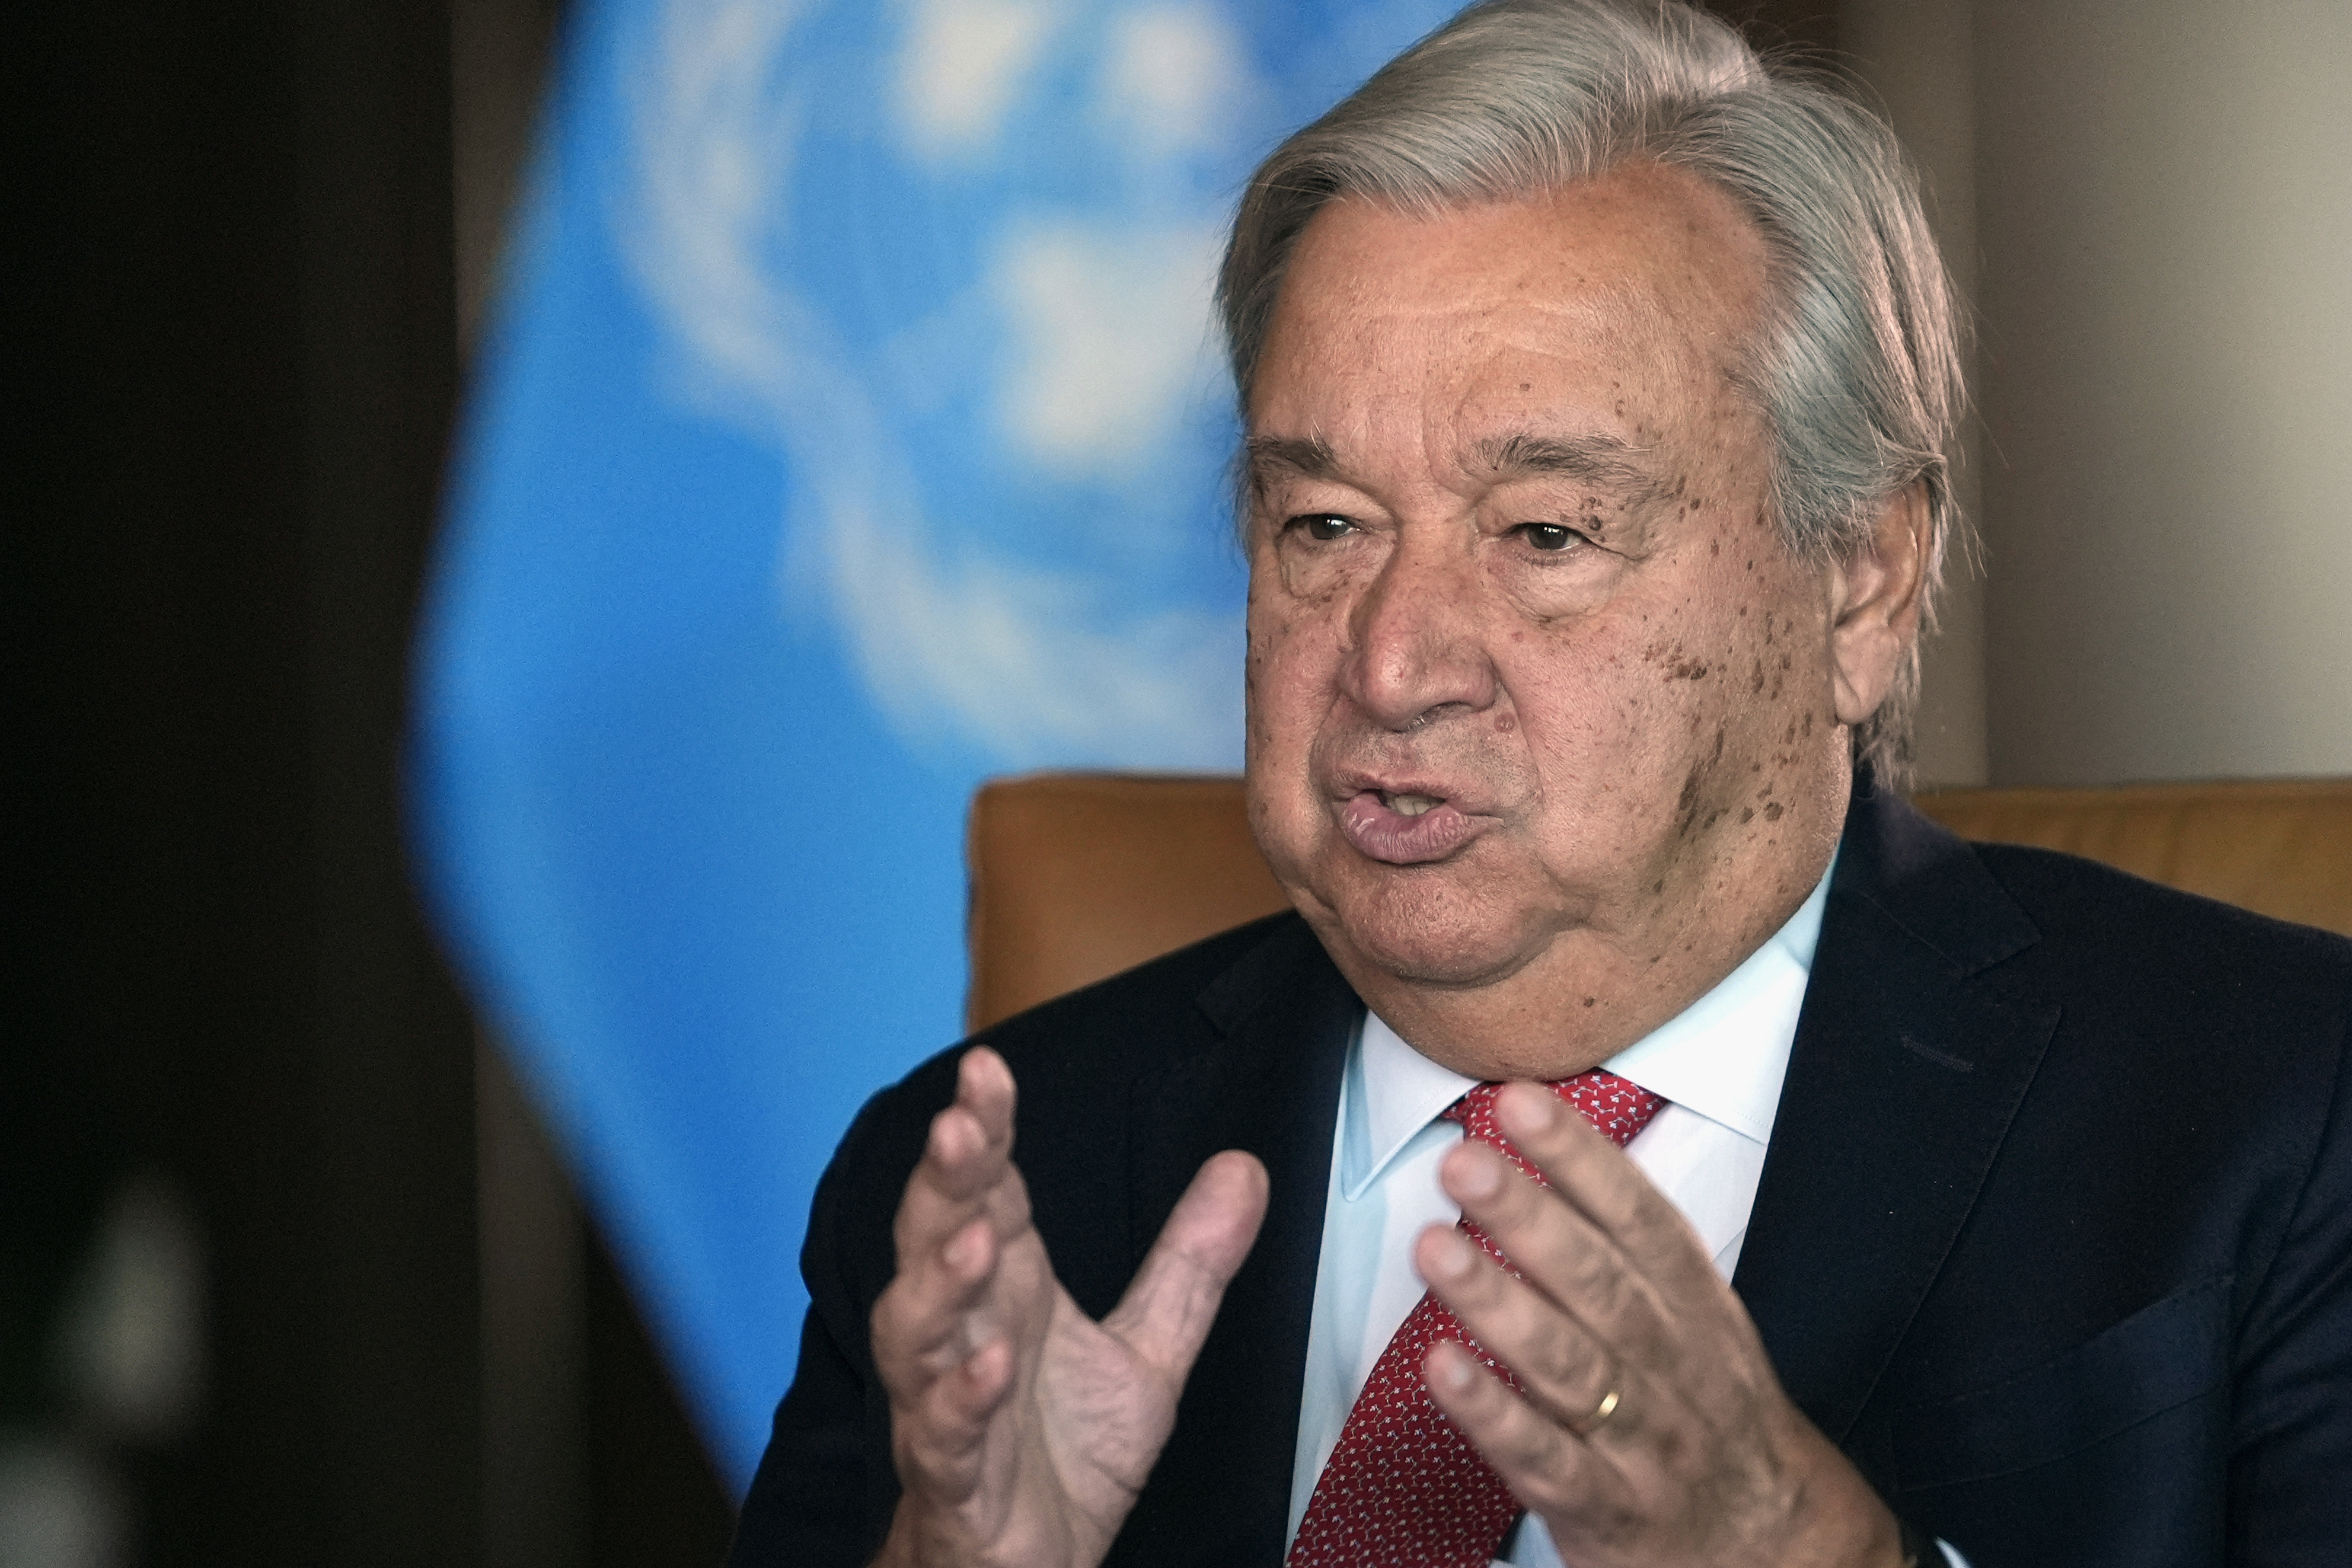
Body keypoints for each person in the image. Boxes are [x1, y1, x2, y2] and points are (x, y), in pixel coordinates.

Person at [727, 2, 2352, 1564]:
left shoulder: (2283, 1123)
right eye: (1324, 529)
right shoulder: (989, 1194)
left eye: (1546, 534)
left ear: (1858, 583)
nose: (1390, 665)